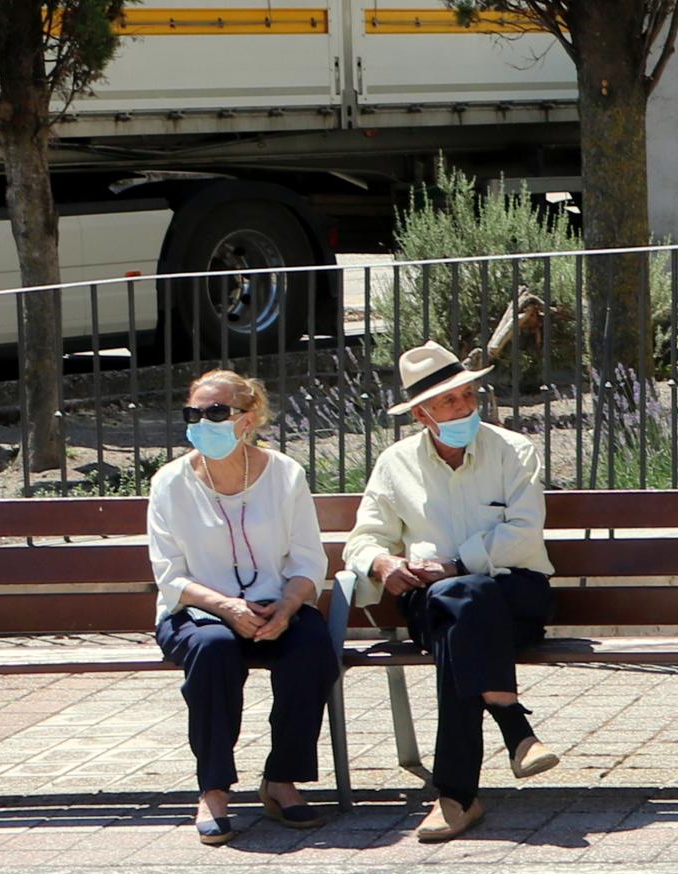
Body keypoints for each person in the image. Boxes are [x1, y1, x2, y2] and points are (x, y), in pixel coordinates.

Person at [342, 339, 557, 845]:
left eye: (467, 395)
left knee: (463, 600)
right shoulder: (395, 463)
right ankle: (512, 728)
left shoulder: (513, 451)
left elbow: (524, 533)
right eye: (448, 402)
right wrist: (381, 561)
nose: (464, 408)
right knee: (459, 607)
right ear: (421, 414)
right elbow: (364, 537)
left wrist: (455, 565)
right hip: (432, 599)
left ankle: (458, 796)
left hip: (514, 595)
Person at [144, 367, 336, 844]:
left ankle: (281, 781)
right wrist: (227, 608)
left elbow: (309, 561)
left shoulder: (285, 474)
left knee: (311, 646)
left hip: (276, 606)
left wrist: (288, 609)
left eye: (215, 412)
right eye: (194, 413)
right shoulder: (170, 482)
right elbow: (170, 574)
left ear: (249, 419)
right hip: (198, 612)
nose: (202, 422)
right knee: (213, 651)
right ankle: (213, 790)